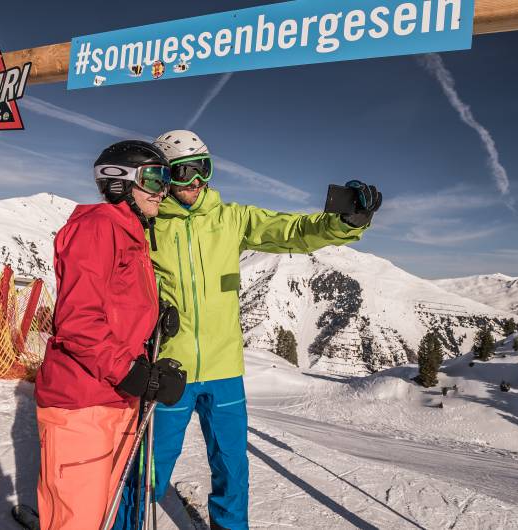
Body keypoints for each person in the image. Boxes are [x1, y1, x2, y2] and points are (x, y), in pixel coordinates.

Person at [114, 130, 382, 530]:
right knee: (151, 466)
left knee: (232, 465)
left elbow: (293, 230)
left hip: (225, 370)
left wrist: (345, 222)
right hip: (169, 370)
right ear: (165, 176)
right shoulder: (147, 227)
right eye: (184, 172)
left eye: (203, 169)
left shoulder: (231, 219)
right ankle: (126, 525)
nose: (196, 182)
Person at [34, 140, 187, 530]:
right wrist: (135, 374)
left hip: (112, 398)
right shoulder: (99, 227)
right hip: (83, 402)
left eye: (166, 179)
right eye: (155, 178)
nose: (163, 190)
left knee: (99, 514)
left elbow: (111, 307)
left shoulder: (131, 234)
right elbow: (78, 321)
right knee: (79, 520)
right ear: (120, 182)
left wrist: (152, 323)